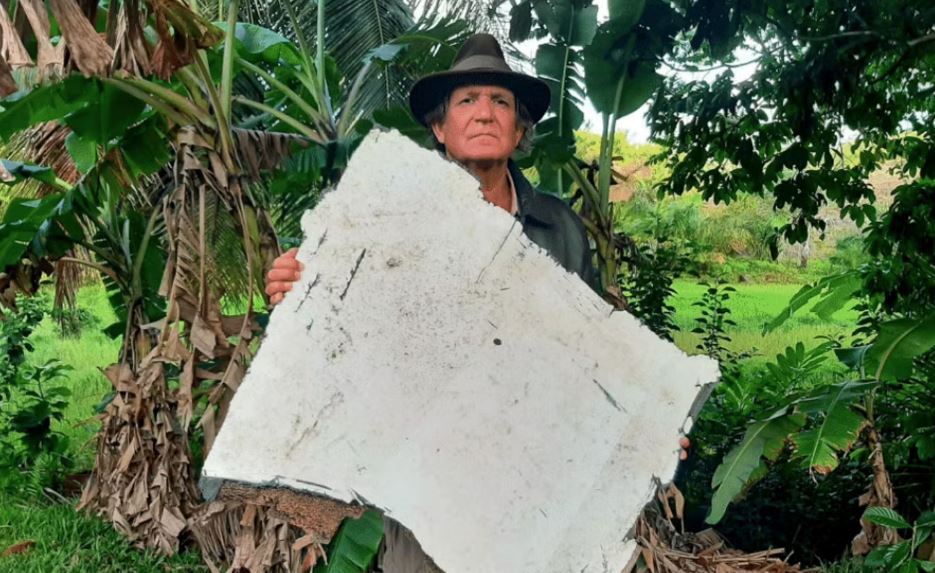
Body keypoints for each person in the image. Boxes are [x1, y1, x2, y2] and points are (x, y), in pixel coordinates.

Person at [264, 33, 689, 572]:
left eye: (500, 102)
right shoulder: (388, 223)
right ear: (440, 129)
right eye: (467, 101)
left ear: (518, 130)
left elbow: (597, 353)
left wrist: (648, 418)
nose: (485, 113)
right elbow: (333, 343)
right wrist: (291, 293)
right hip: (428, 490)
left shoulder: (559, 228)